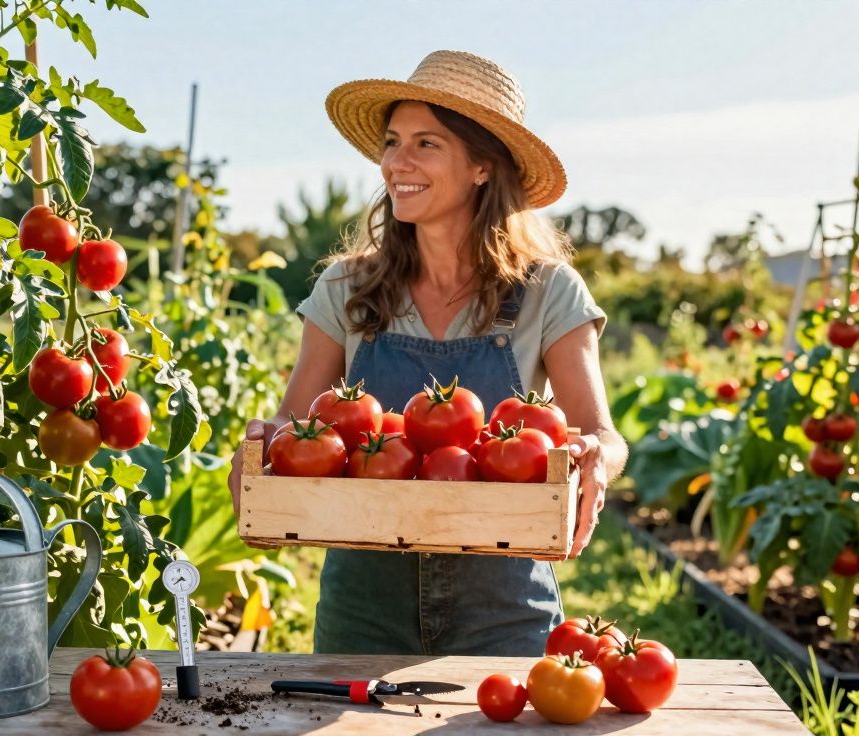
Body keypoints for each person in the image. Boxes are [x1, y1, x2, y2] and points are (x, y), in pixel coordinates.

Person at [226, 51, 628, 656]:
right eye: (392, 142)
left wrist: (600, 458)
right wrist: (262, 450)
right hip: (364, 601)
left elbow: (603, 434)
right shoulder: (345, 287)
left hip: (505, 601)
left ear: (482, 167)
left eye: (425, 144)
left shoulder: (548, 291)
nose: (395, 163)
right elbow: (297, 420)